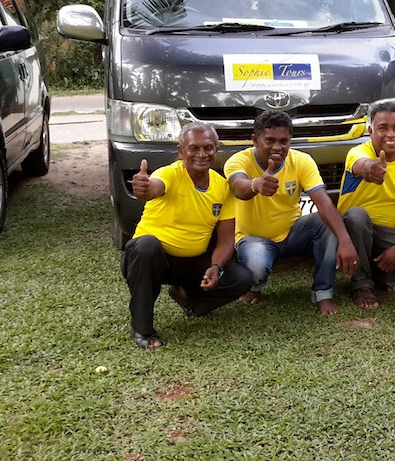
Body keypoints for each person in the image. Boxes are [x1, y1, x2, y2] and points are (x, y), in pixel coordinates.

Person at [120, 123, 253, 350]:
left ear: (216, 149)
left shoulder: (222, 187)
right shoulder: (169, 174)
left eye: (208, 148)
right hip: (150, 259)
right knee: (146, 247)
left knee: (241, 278)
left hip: (189, 263)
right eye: (193, 148)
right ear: (181, 152)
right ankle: (142, 329)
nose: (201, 154)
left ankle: (188, 298)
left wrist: (215, 267)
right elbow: (154, 187)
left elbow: (226, 240)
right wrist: (143, 188)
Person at [224, 110, 358, 315]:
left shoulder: (302, 160)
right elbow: (238, 187)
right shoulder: (238, 161)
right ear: (255, 140)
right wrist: (256, 184)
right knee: (256, 267)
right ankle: (256, 287)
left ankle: (323, 293)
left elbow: (324, 203)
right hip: (254, 239)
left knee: (326, 222)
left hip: (293, 233)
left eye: (284, 141)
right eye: (270, 140)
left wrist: (345, 240)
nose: (277, 147)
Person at [338, 102, 395, 309]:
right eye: (383, 128)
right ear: (370, 131)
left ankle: (374, 274)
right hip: (353, 233)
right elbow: (361, 165)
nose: (391, 134)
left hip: (389, 234)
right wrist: (372, 168)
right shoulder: (357, 152)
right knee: (356, 216)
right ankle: (362, 285)